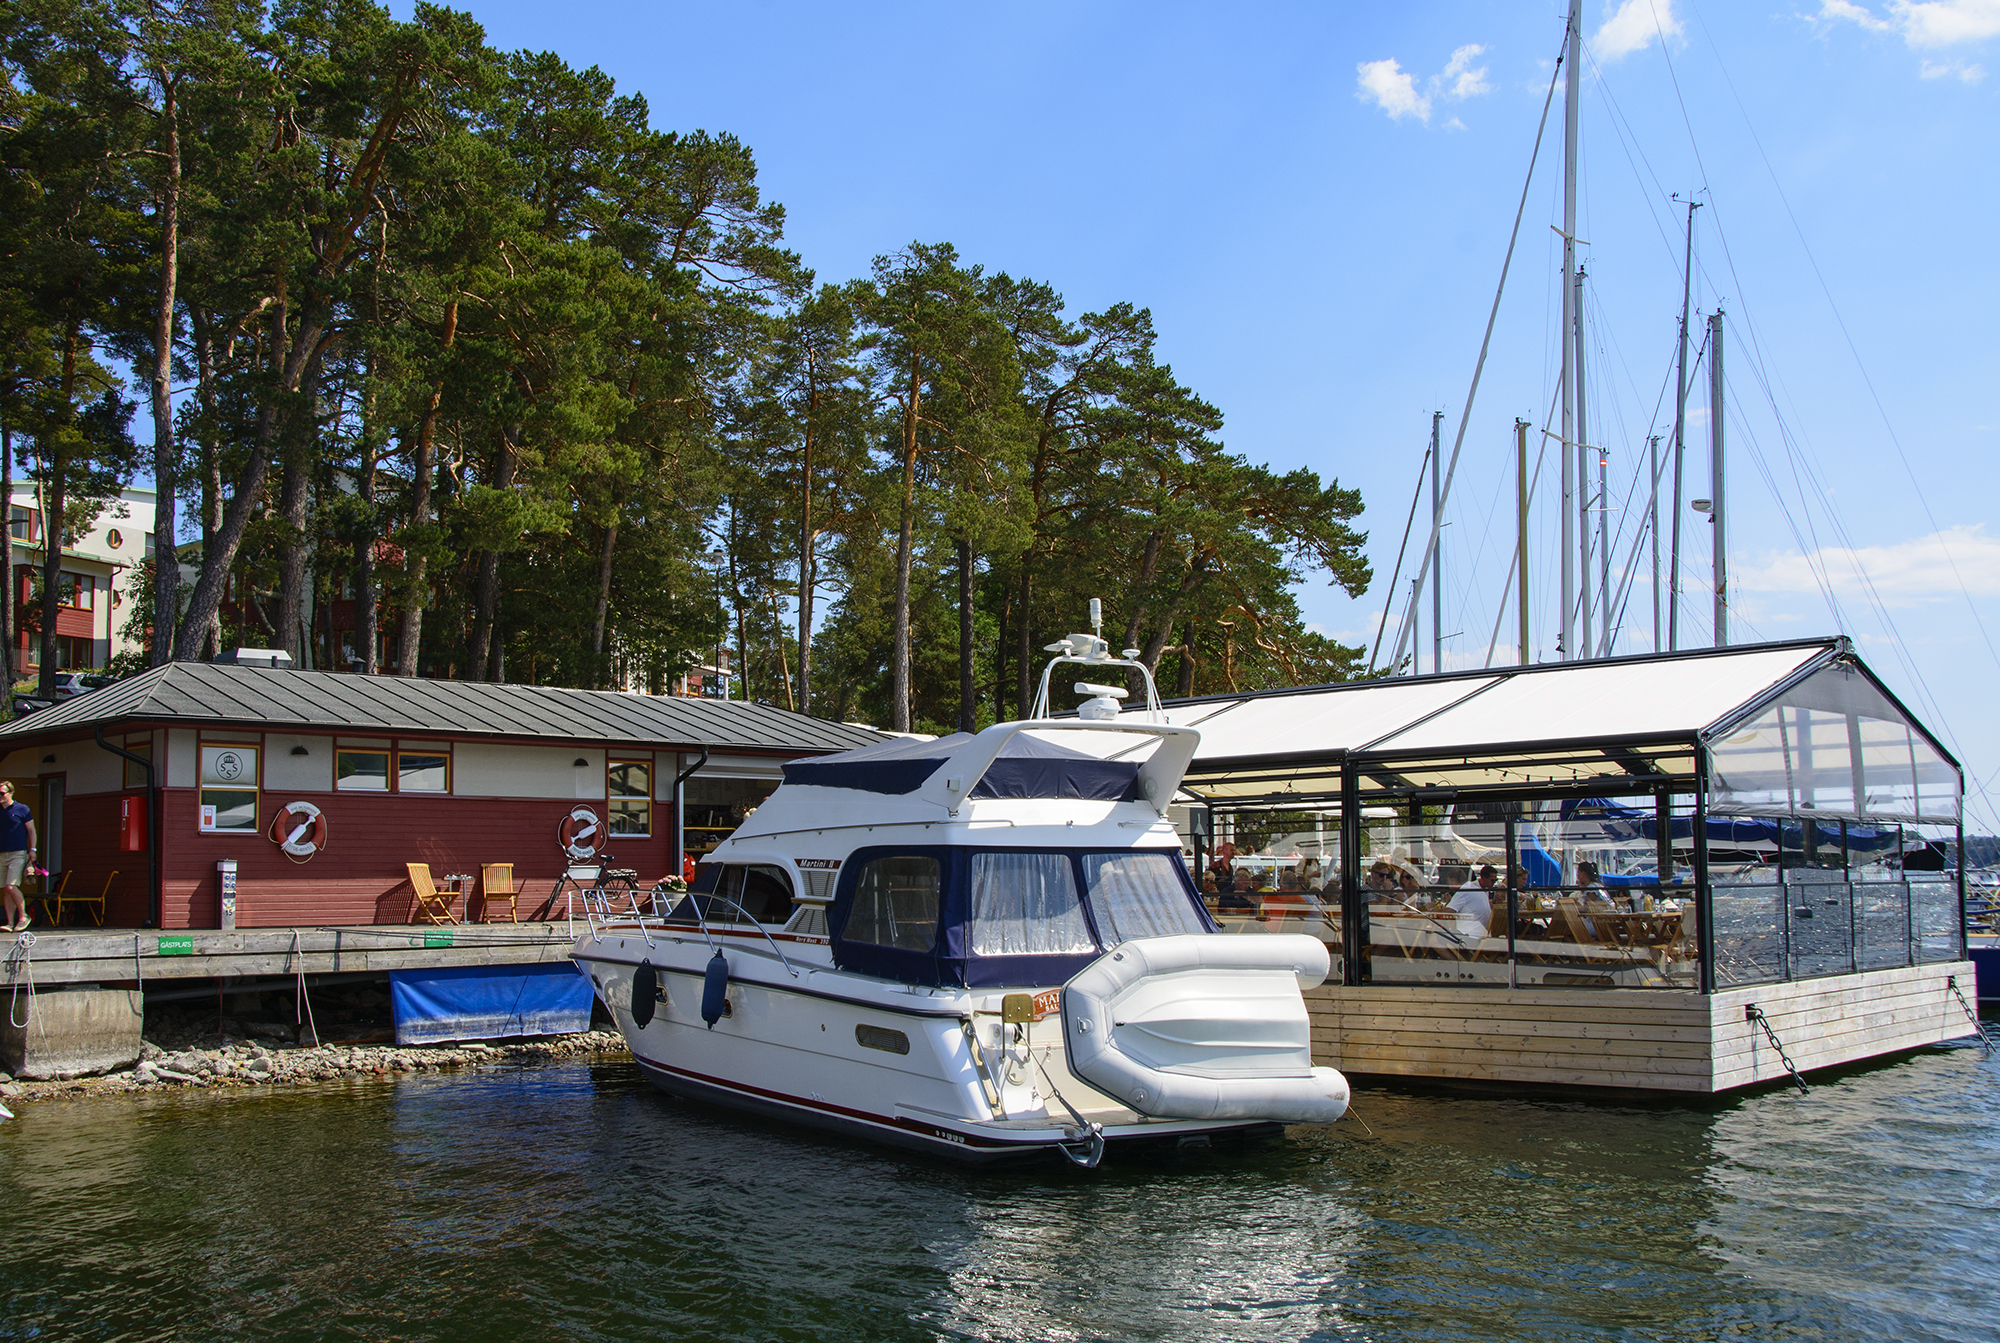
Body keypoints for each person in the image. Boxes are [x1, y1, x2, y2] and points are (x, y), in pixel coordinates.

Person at [0, 781, 36, 933]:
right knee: (6, 889)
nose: (0, 796)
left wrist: (32, 850)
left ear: (11, 792)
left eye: (2, 793)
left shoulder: (22, 809)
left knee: (11, 886)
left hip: (18, 853)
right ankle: (9, 922)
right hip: (2, 853)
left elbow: (31, 830)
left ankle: (23, 916)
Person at [1448, 863, 1497, 938]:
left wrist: (1430, 909)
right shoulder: (1475, 888)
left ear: (1453, 881)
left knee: (1435, 939)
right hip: (1481, 934)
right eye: (1492, 880)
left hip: (1471, 936)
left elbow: (1447, 912)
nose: (1494, 883)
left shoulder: (1465, 890)